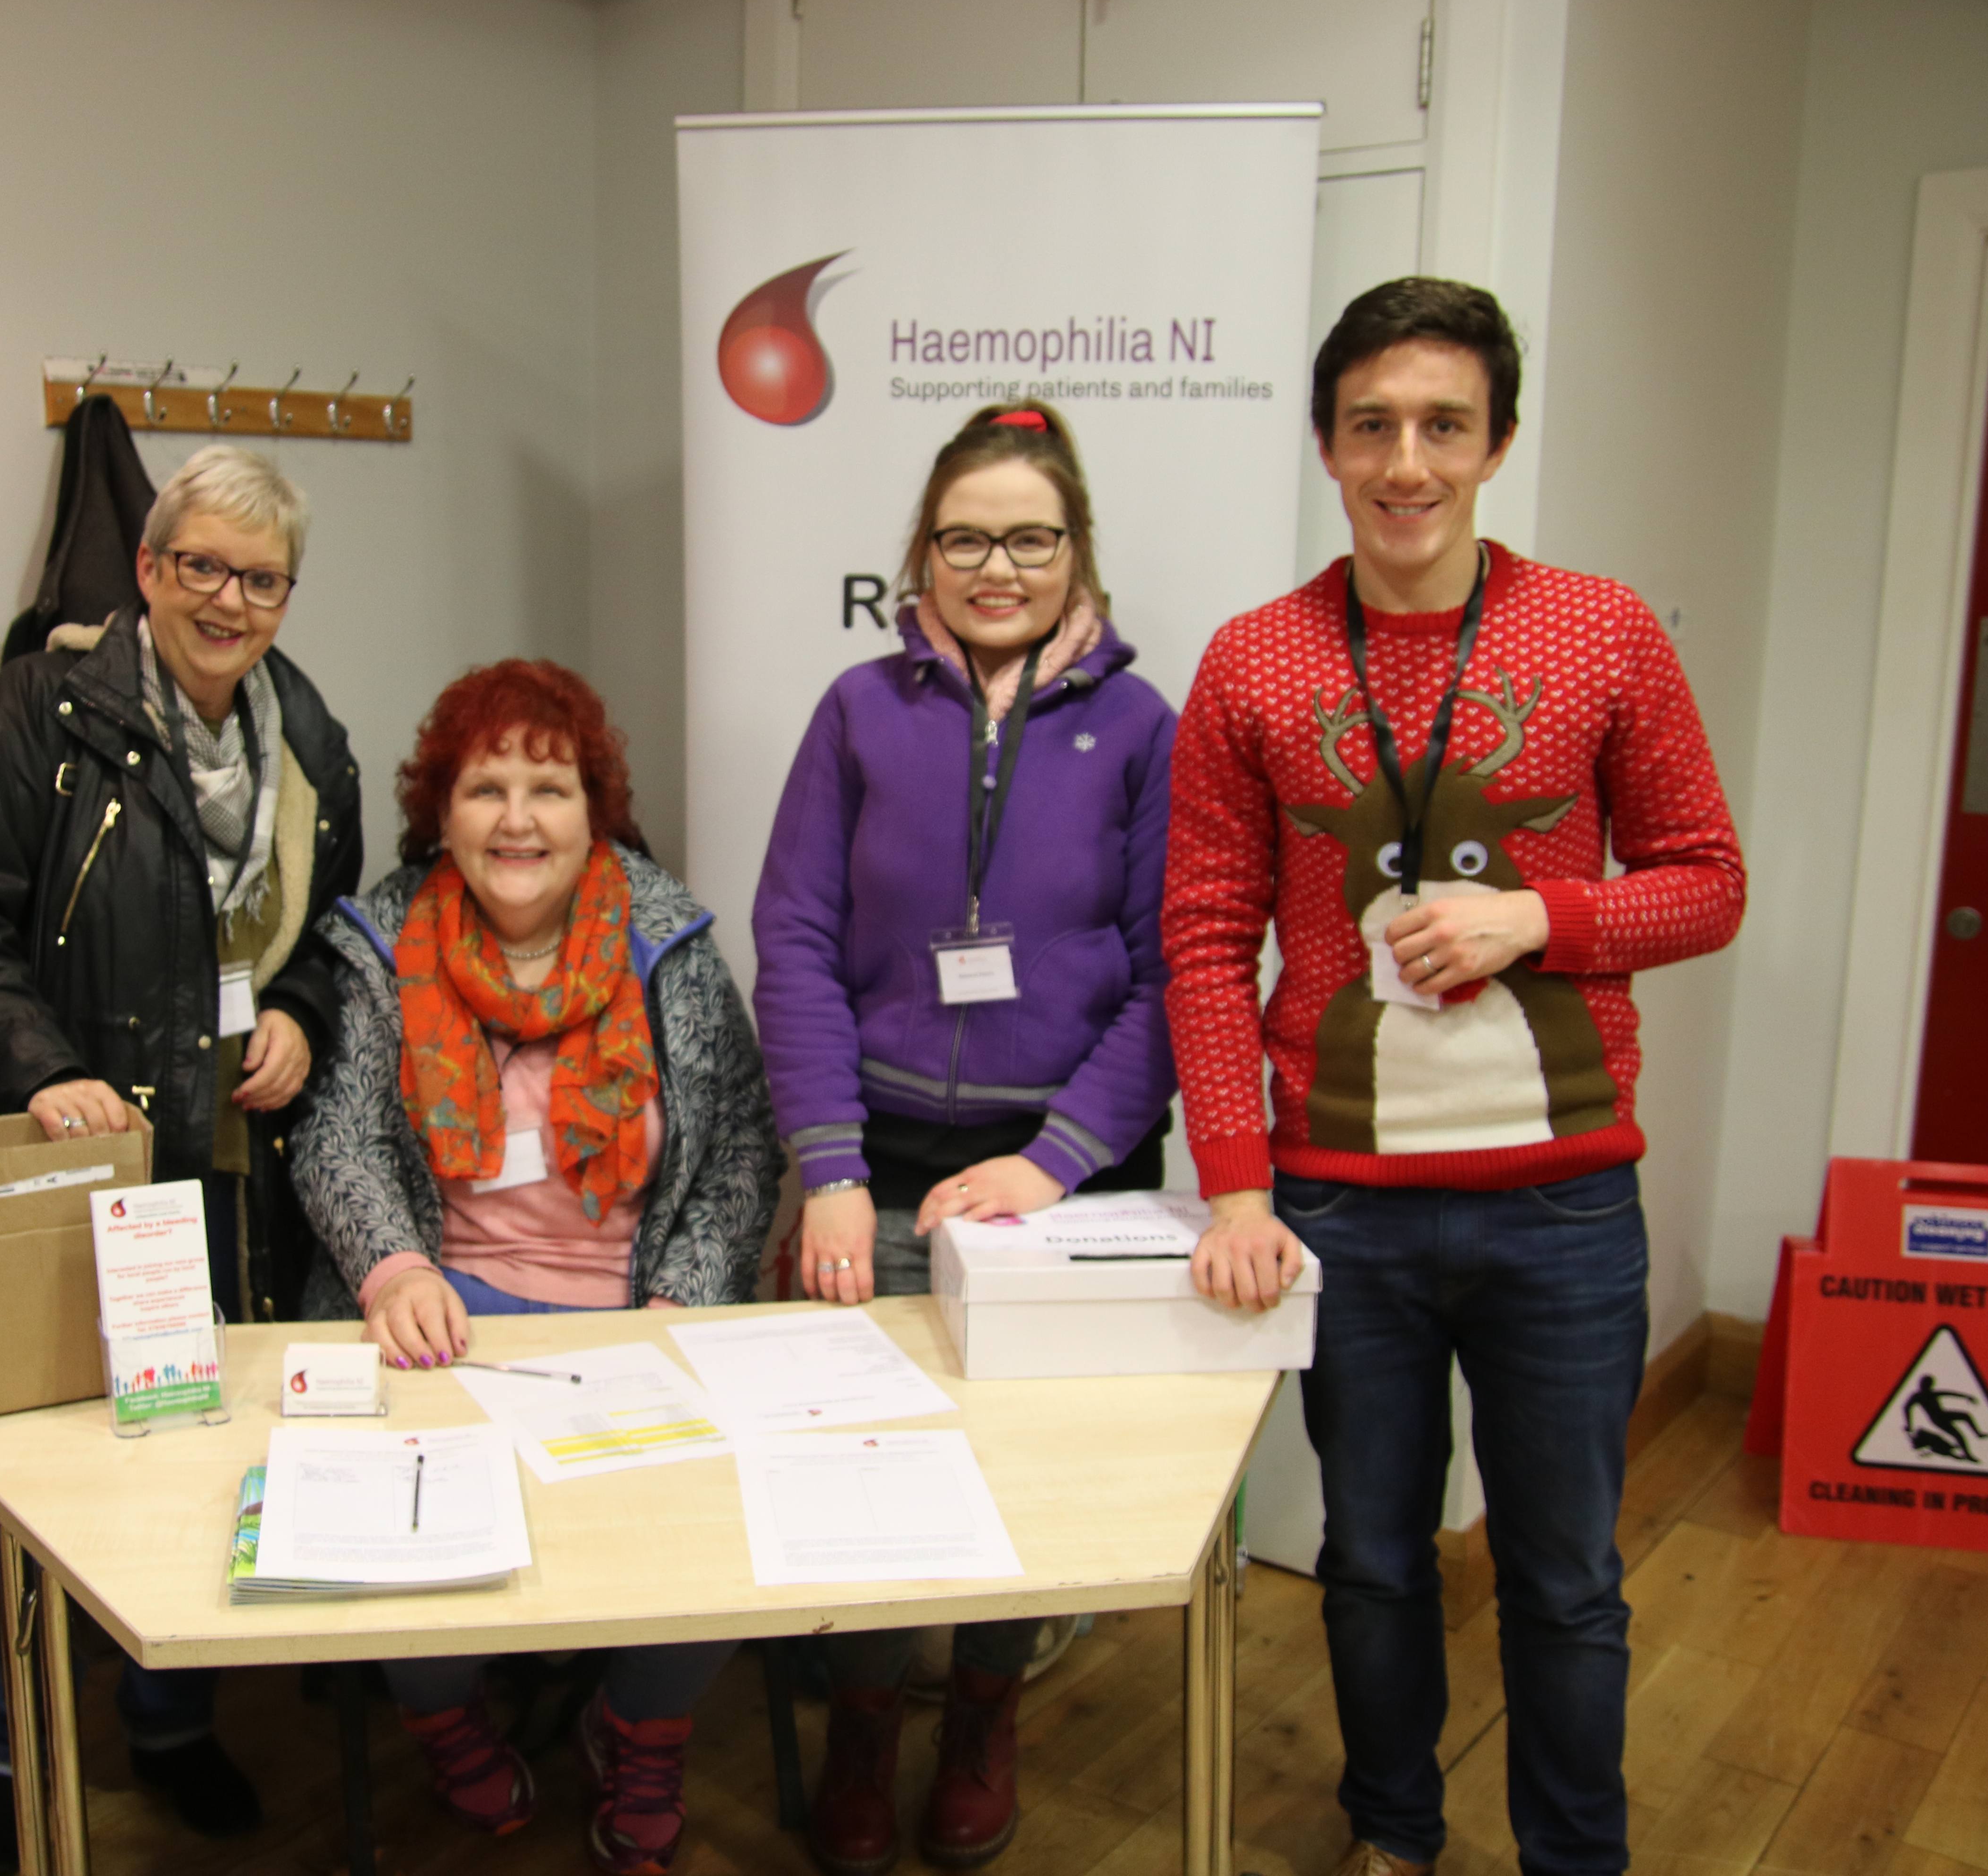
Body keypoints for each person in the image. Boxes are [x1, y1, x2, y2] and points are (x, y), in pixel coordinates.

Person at [1165, 277, 1747, 1876]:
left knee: (1564, 1579)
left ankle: (1575, 1859)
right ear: (1327, 443)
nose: (1405, 461)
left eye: (1442, 425)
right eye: (1372, 426)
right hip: (1344, 1211)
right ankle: (1395, 1838)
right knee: (1369, 1559)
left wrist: (1540, 916)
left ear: (1496, 442)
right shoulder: (1253, 661)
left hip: (1564, 1208)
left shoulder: (1602, 630)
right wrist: (1232, 1176)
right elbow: (1206, 939)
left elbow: (1708, 880)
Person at [0, 445, 362, 1874]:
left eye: (261, 578)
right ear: (150, 571)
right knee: (56, 1467)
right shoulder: (48, 711)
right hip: (91, 1161)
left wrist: (299, 1011)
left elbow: (338, 927)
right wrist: (43, 1074)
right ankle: (7, 1745)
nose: (230, 599)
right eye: (202, 567)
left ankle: (171, 1724)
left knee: (205, 1443)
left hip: (240, 1170)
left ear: (288, 597)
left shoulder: (310, 734)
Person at [752, 401, 1177, 1875]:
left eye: (1030, 537)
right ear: (920, 559)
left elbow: (1179, 970)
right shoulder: (860, 711)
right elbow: (795, 937)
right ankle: (864, 1718)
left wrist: (1053, 1160)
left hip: (1062, 1166)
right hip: (879, 1153)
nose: (998, 565)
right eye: (966, 538)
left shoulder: (1139, 728)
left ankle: (984, 1710)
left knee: (1012, 1464)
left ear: (1077, 553)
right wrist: (831, 1165)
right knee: (863, 1451)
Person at [292, 659, 782, 1876]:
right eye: (486, 787)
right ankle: (441, 1709)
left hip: (634, 1314)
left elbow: (738, 1149)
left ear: (594, 809)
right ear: (441, 813)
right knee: (390, 1527)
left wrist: (687, 1301)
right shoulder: (376, 943)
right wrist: (394, 1265)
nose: (519, 818)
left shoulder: (670, 943)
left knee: (737, 1524)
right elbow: (338, 1131)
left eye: (550, 788)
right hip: (442, 1317)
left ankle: (641, 1723)